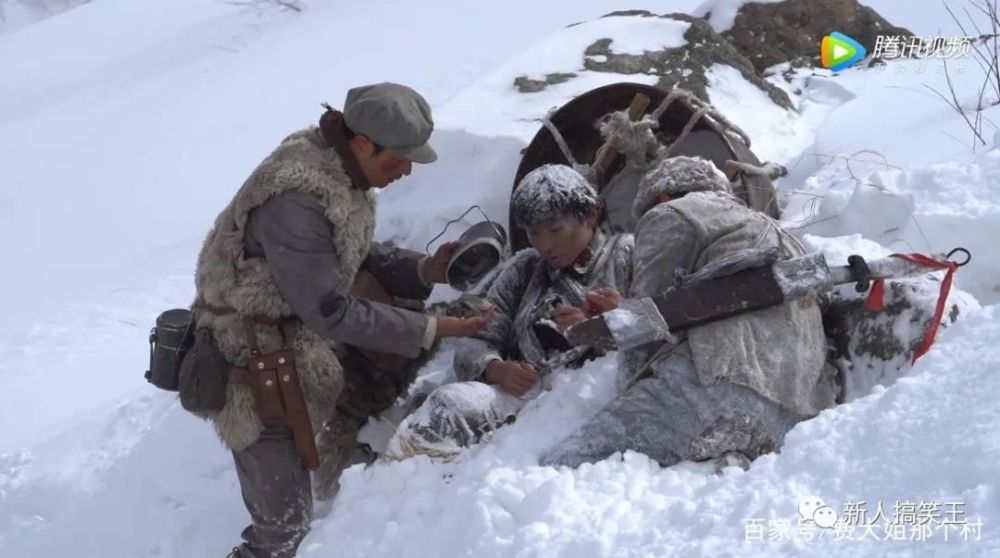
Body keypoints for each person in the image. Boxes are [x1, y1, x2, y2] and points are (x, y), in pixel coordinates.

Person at [191, 82, 492, 558]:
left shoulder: (340, 172)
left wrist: (423, 270)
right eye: (400, 156)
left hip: (288, 346)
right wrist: (433, 329)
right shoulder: (296, 196)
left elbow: (348, 254)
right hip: (248, 362)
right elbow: (330, 308)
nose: (407, 169)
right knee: (281, 530)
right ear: (361, 143)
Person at [541, 156, 838, 469]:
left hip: (717, 393)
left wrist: (622, 344)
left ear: (664, 197)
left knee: (566, 467)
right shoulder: (777, 233)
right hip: (791, 421)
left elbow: (645, 337)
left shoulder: (671, 213)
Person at [386, 164, 633, 459]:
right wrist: (496, 368)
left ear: (590, 215)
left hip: (589, 404)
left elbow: (665, 329)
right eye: (534, 232)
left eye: (555, 230)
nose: (544, 245)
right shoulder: (525, 268)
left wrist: (610, 321)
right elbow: (475, 337)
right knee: (448, 405)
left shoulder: (628, 255)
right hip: (519, 399)